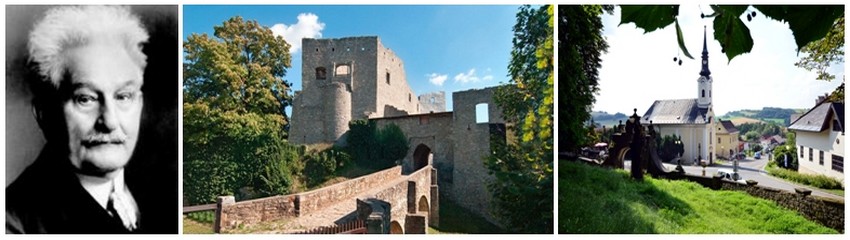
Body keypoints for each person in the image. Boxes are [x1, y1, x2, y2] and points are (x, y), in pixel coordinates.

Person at [6, 5, 176, 234]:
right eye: (85, 99)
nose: (110, 122)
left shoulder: (165, 189)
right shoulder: (14, 223)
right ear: (44, 114)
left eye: (123, 96)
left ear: (140, 103)